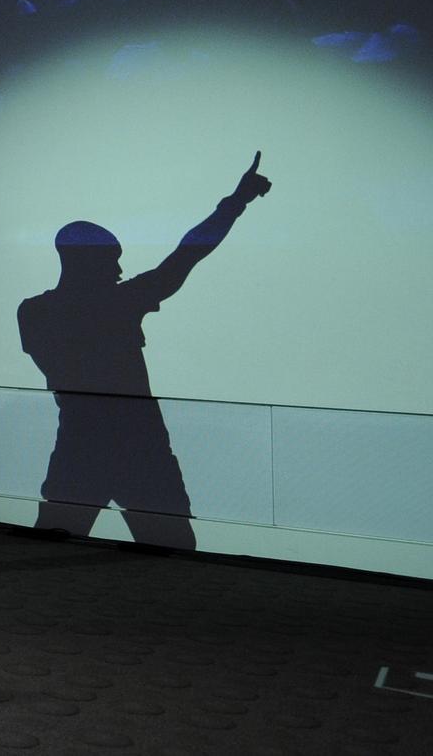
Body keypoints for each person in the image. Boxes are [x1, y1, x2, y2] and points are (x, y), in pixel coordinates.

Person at [18, 154, 271, 549]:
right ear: (89, 262)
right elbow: (187, 254)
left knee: (50, 547)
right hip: (141, 448)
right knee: (173, 552)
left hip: (81, 444)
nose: (119, 271)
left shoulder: (34, 312)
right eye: (112, 262)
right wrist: (235, 202)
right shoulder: (120, 302)